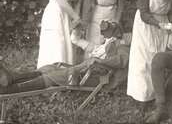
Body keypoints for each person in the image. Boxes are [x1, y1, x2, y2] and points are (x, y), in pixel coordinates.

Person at [0, 21, 131, 94]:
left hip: (95, 76)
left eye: (111, 29)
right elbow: (76, 40)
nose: (108, 33)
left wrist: (99, 60)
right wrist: (76, 29)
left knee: (52, 76)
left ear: (118, 32)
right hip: (83, 70)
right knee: (48, 68)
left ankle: (10, 90)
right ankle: (13, 76)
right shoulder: (100, 46)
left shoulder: (120, 44)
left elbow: (121, 60)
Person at [127, 0, 172, 104]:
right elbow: (144, 13)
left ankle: (157, 96)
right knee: (143, 61)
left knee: (157, 58)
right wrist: (159, 24)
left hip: (162, 26)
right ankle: (142, 98)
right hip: (146, 25)